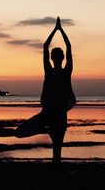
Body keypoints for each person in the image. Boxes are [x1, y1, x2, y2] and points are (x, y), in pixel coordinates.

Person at [15, 17, 76, 164]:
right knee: (57, 151)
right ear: (61, 58)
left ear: (54, 58)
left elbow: (46, 47)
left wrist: (56, 30)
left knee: (56, 150)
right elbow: (68, 47)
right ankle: (47, 130)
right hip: (52, 113)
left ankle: (54, 174)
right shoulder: (63, 71)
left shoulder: (55, 71)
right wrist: (60, 30)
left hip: (56, 113)